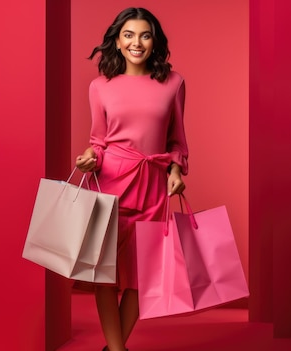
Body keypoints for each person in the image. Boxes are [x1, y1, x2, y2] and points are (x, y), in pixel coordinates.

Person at [75, 7, 189, 351]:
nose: (136, 42)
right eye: (128, 35)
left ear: (155, 42)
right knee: (105, 275)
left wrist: (175, 170)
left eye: (144, 35)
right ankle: (117, 348)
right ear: (118, 41)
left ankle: (114, 348)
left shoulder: (174, 83)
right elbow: (98, 140)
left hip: (153, 185)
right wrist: (89, 158)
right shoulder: (99, 86)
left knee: (142, 276)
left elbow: (177, 140)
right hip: (111, 183)